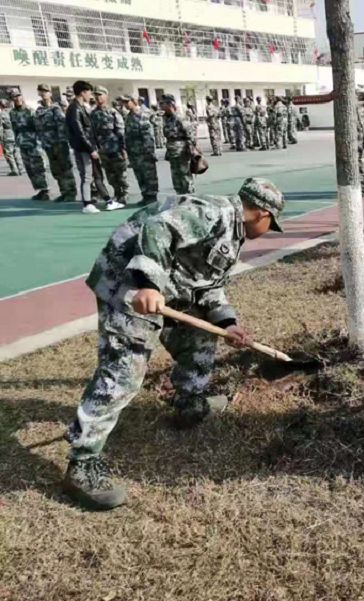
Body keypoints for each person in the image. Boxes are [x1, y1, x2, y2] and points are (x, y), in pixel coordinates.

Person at [61, 177, 286, 510]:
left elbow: (208, 284)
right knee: (124, 371)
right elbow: (156, 229)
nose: (268, 230)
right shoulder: (212, 213)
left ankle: (188, 401)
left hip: (166, 290)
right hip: (128, 286)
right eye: (271, 225)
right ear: (263, 214)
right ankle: (82, 463)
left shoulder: (231, 232)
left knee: (203, 334)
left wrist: (229, 323)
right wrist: (148, 284)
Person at [65, 80, 111, 213]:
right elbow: (79, 132)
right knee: (86, 176)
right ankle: (87, 204)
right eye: (89, 92)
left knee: (89, 175)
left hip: (85, 146)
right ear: (83, 92)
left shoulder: (80, 107)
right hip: (83, 148)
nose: (91, 95)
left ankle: (90, 202)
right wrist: (91, 149)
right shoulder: (74, 109)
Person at [34, 84, 77, 203]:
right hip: (48, 145)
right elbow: (38, 128)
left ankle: (71, 193)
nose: (43, 94)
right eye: (41, 92)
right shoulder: (39, 111)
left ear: (50, 94)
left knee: (65, 169)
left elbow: (62, 127)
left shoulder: (56, 108)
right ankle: (64, 192)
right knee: (56, 170)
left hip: (59, 144)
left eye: (46, 91)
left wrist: (62, 143)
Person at [91, 86, 129, 210]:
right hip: (103, 151)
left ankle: (124, 195)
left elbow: (120, 131)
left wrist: (123, 149)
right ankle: (117, 193)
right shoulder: (93, 113)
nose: (98, 97)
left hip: (115, 149)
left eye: (100, 94)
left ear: (106, 96)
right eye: (96, 95)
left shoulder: (113, 112)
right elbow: (92, 133)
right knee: (110, 176)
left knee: (121, 174)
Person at [8, 89, 50, 201]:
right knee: (30, 169)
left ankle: (45, 190)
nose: (17, 98)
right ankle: (40, 191)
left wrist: (40, 142)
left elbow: (38, 128)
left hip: (34, 144)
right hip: (22, 145)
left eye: (18, 96)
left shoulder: (30, 111)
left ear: (22, 97)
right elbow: (14, 128)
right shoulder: (12, 113)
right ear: (12, 99)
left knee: (38, 167)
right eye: (14, 97)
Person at [123, 95, 159, 205]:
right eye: (123, 102)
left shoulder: (142, 115)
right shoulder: (129, 116)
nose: (124, 104)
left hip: (144, 152)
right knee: (140, 175)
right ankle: (145, 196)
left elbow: (147, 136)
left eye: (126, 102)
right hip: (134, 152)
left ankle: (152, 197)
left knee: (149, 175)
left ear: (133, 101)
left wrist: (150, 152)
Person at [161, 94, 197, 194]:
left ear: (170, 104)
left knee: (185, 176)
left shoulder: (179, 117)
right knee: (176, 177)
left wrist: (191, 150)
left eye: (163, 103)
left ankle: (190, 198)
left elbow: (190, 134)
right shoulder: (166, 118)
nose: (161, 106)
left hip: (182, 152)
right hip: (172, 152)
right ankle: (180, 196)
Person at [1, 99, 22, 176]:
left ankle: (14, 170)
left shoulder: (2, 114)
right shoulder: (12, 112)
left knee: (9, 153)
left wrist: (1, 139)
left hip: (6, 134)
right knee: (15, 152)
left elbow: (1, 128)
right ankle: (20, 169)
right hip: (15, 133)